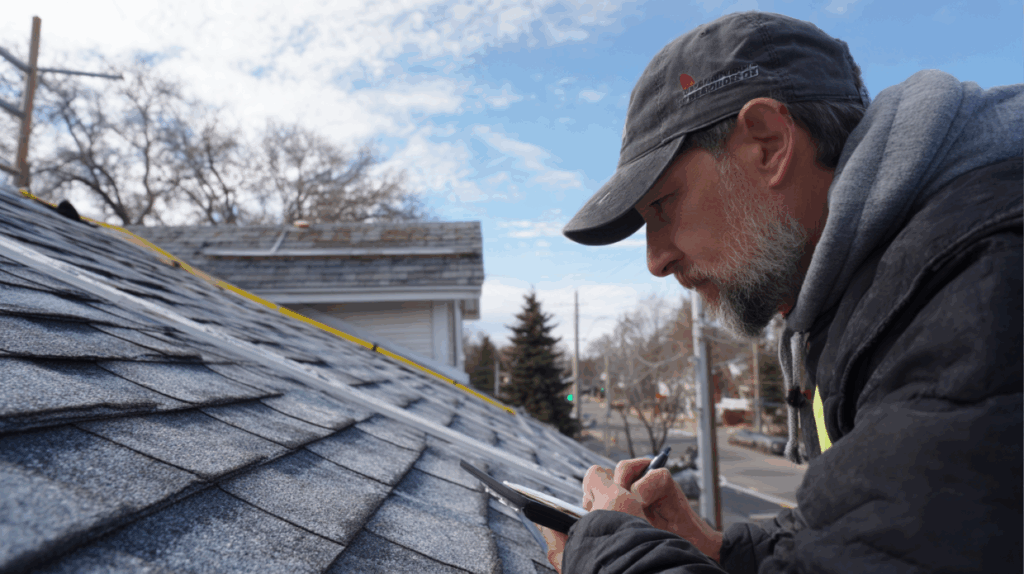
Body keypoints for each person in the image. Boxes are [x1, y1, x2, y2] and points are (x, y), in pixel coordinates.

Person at [537, 10, 1023, 574]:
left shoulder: (977, 288)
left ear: (768, 143)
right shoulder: (884, 291)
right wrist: (719, 551)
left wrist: (607, 555)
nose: (656, 259)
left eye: (662, 207)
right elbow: (875, 534)